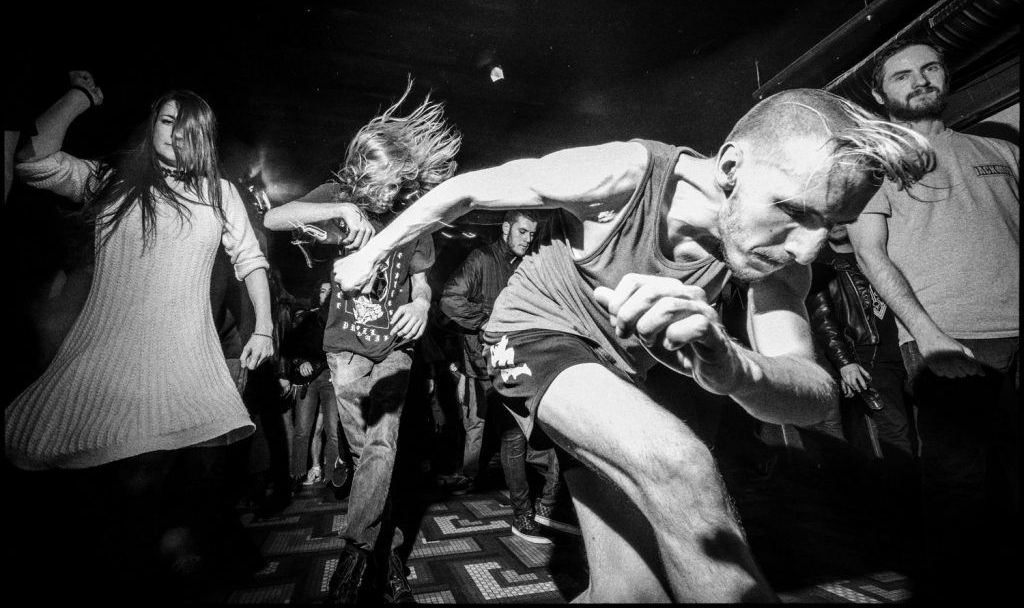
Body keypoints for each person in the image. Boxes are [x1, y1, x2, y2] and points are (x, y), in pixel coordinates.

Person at [332, 87, 934, 602]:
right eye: (795, 211)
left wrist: (734, 367)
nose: (806, 248)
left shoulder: (782, 260)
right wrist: (371, 254)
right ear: (731, 165)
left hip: (617, 375)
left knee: (628, 594)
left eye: (830, 225)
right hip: (534, 336)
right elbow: (467, 190)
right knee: (681, 465)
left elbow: (810, 392)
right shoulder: (623, 173)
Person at [5, 74, 275, 600]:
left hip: (186, 361)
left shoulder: (219, 193)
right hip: (110, 362)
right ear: (152, 125)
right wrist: (81, 97)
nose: (175, 133)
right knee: (121, 489)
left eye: (187, 126)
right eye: (167, 120)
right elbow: (33, 163)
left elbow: (250, 259)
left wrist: (263, 326)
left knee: (178, 483)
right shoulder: (110, 181)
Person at [263, 80, 459, 603]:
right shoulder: (339, 197)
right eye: (385, 182)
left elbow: (423, 278)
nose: (392, 193)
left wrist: (421, 304)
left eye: (399, 183)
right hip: (344, 346)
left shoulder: (412, 215)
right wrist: (339, 213)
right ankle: (388, 550)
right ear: (363, 169)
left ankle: (355, 554)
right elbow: (273, 218)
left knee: (381, 445)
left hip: (395, 346)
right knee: (368, 455)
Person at [848, 39, 1019, 603]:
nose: (919, 80)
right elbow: (870, 253)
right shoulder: (874, 167)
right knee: (957, 485)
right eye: (902, 75)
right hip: (951, 338)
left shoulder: (1001, 150)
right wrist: (925, 333)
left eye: (929, 68)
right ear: (880, 95)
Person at [440, 209, 576, 542]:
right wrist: (488, 320)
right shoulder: (482, 259)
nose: (527, 239)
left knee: (553, 434)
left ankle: (547, 506)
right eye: (522, 232)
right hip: (493, 362)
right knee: (512, 437)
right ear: (505, 228)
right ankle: (522, 514)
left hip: (528, 359)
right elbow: (449, 300)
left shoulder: (531, 263)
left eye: (532, 234)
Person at [806, 225, 916, 504]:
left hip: (906, 346)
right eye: (832, 220)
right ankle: (905, 501)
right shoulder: (821, 266)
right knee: (895, 429)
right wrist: (845, 363)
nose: (838, 224)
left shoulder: (878, 252)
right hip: (868, 358)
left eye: (845, 217)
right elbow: (823, 320)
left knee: (923, 425)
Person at [282, 279, 343, 491]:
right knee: (302, 429)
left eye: (330, 290)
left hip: (330, 377)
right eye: (323, 290)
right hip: (308, 380)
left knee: (332, 430)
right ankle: (296, 475)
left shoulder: (339, 318)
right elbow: (292, 348)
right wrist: (300, 362)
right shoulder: (306, 318)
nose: (326, 294)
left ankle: (332, 477)